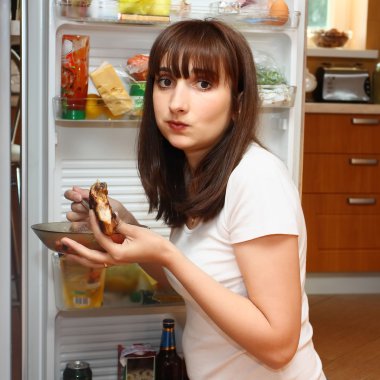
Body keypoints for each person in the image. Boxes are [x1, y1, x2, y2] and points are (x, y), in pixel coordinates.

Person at [62, 19, 326, 380]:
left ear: (238, 103)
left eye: (203, 83)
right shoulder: (196, 172)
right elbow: (190, 281)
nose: (176, 103)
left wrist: (166, 252)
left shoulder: (257, 178)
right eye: (166, 81)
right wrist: (124, 226)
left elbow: (279, 346)